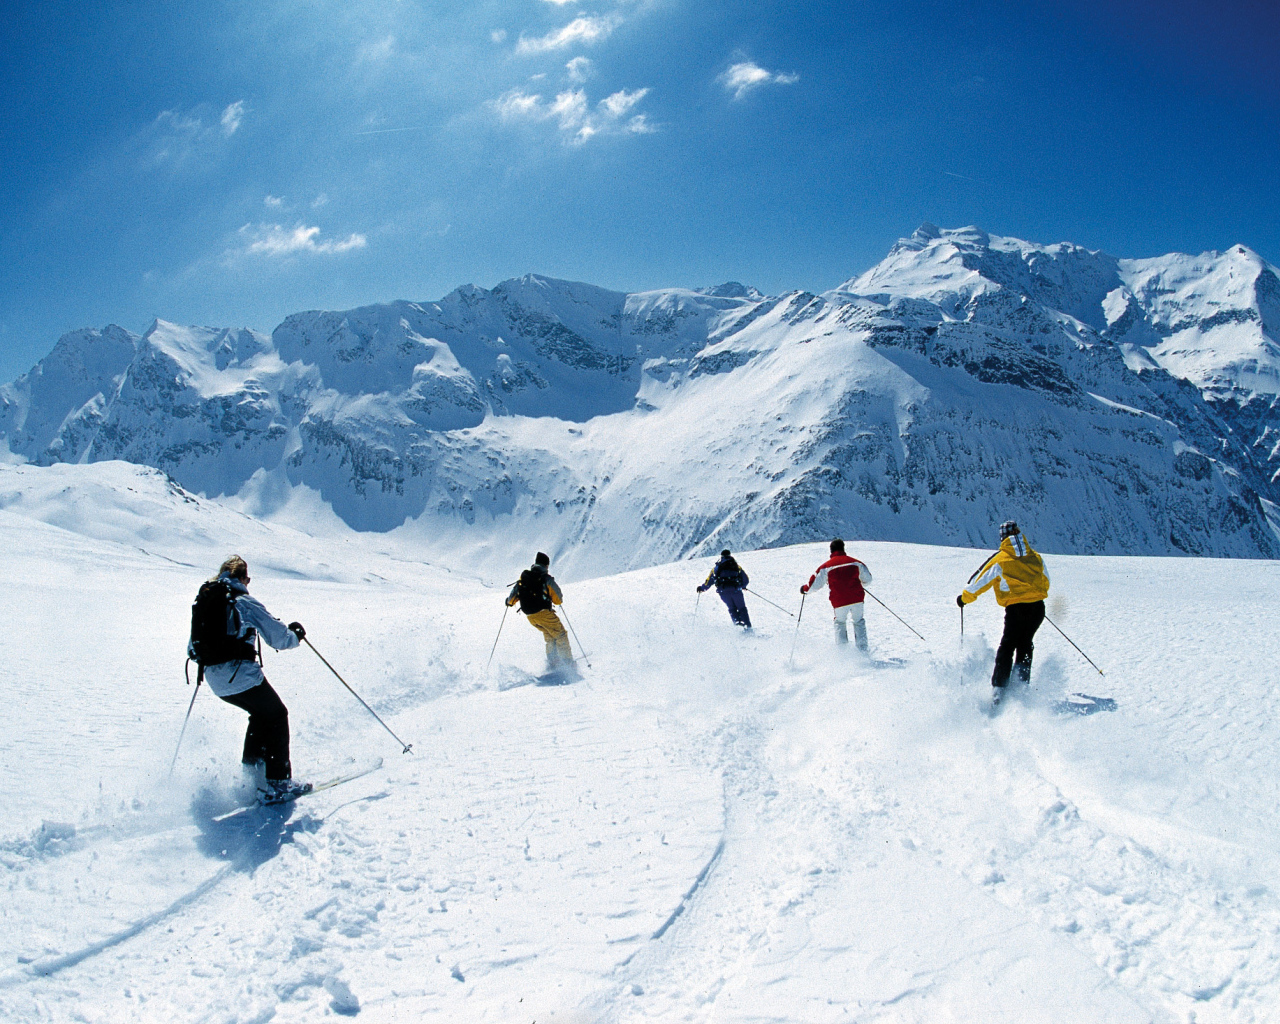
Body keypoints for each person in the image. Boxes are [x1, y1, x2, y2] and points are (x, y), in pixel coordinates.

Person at [188, 555, 311, 801]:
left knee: (261, 715)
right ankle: (279, 784)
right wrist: (295, 635)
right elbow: (278, 638)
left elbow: (192, 649)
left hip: (215, 680)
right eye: (248, 579)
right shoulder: (242, 601)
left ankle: (252, 777)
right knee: (277, 714)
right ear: (243, 577)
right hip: (241, 675)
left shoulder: (206, 600)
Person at [956, 521, 1050, 702]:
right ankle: (1021, 688)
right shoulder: (1036, 557)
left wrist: (964, 599)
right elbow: (1045, 581)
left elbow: (980, 581)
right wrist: (1032, 594)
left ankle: (999, 690)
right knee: (1025, 644)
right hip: (1037, 608)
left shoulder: (1001, 559)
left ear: (1003, 537)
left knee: (1007, 646)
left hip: (1016, 610)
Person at [800, 538, 872, 651]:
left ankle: (843, 653)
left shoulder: (826, 567)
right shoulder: (856, 562)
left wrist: (805, 590)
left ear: (831, 551)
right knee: (858, 621)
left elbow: (814, 584)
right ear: (843, 548)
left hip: (839, 601)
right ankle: (862, 651)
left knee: (840, 622)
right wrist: (860, 582)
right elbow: (868, 579)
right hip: (857, 598)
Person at [506, 551, 574, 669]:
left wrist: (508, 602)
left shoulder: (525, 578)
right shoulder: (546, 579)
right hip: (544, 613)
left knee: (549, 636)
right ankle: (567, 663)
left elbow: (511, 600)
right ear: (546, 565)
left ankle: (553, 662)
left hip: (530, 616)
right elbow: (558, 600)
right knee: (560, 634)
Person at [697, 549, 752, 628]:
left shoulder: (716, 568)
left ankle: (738, 626)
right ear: (730, 555)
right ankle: (748, 627)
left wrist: (702, 588)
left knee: (732, 608)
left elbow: (708, 582)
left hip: (723, 592)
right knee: (742, 608)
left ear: (721, 557)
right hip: (736, 591)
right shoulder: (736, 566)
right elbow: (745, 579)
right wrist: (742, 586)